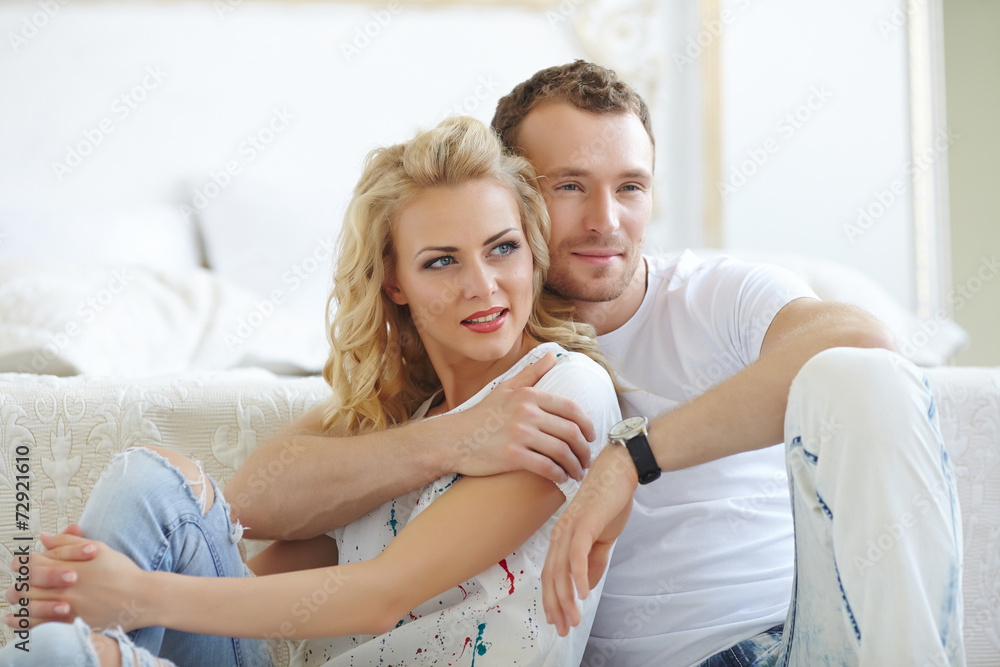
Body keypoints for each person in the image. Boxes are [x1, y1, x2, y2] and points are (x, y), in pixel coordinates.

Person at [19, 60, 966, 666]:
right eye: (568, 189)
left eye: (631, 187)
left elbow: (867, 339)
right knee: (129, 520)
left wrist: (628, 458)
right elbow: (264, 506)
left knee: (860, 378)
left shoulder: (650, 332)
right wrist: (449, 435)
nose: (604, 222)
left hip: (780, 641)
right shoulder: (460, 373)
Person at [2, 115, 622, 666]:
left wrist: (132, 596)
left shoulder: (563, 388)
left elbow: (384, 596)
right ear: (394, 281)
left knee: (58, 646)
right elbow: (242, 511)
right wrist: (448, 438)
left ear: (533, 256)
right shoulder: (410, 417)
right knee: (150, 481)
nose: (483, 286)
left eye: (502, 249)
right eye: (441, 260)